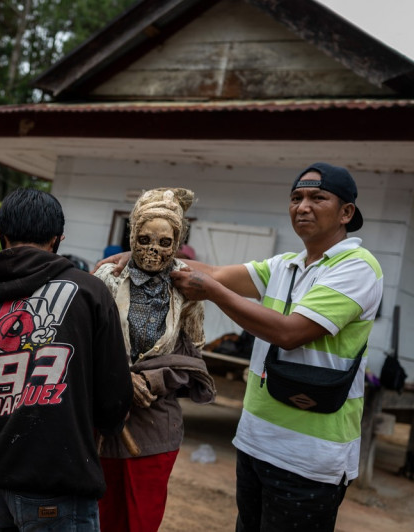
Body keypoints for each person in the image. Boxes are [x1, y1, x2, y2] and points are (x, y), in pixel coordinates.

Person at [98, 163, 383, 532]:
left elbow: (289, 332)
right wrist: (140, 261)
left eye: (318, 197)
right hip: (256, 441)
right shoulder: (285, 265)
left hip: (311, 456)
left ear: (347, 212)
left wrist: (213, 293)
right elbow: (214, 272)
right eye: (296, 198)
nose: (303, 206)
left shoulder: (357, 267)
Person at [0, 188, 133, 531]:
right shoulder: (90, 294)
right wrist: (102, 427)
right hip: (60, 483)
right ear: (58, 239)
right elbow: (114, 392)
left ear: (2, 236)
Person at [93, 188, 215, 532]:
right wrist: (117, 377)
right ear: (133, 236)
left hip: (153, 428)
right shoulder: (107, 279)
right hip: (100, 422)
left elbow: (192, 362)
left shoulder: (187, 288)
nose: (153, 250)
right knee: (97, 517)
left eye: (164, 242)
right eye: (144, 239)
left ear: (176, 242)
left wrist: (152, 381)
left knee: (141, 521)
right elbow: (81, 345)